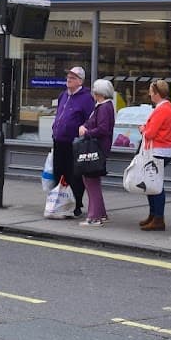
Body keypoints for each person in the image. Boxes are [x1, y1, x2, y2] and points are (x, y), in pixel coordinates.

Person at [52, 66, 93, 218]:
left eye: (73, 77)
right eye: (68, 76)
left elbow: (90, 120)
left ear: (80, 81)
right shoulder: (63, 95)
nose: (69, 79)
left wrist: (82, 131)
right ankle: (60, 203)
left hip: (74, 143)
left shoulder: (86, 98)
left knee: (73, 176)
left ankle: (75, 205)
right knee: (58, 173)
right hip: (59, 141)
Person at [139, 79, 171, 231]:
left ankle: (158, 218)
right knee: (152, 183)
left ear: (156, 93)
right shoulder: (169, 107)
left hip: (158, 151)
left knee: (155, 184)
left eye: (151, 91)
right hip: (164, 149)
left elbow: (150, 133)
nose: (149, 94)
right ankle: (153, 215)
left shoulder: (162, 109)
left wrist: (142, 129)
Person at [78, 79, 116, 227]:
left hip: (97, 148)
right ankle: (101, 213)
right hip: (98, 147)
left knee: (91, 181)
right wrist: (84, 126)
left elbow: (103, 129)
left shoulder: (104, 107)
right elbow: (92, 123)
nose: (92, 92)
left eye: (94, 90)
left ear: (99, 93)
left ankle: (94, 217)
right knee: (93, 181)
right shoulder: (101, 106)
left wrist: (86, 133)